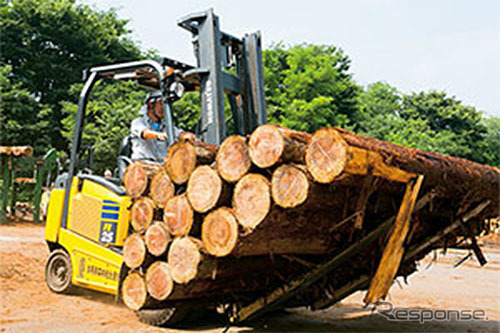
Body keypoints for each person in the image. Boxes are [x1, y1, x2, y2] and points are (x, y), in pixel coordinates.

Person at [130, 90, 195, 162]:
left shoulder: (167, 126)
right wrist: (158, 135)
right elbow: (145, 133)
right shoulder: (138, 122)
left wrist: (187, 136)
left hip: (162, 164)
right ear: (150, 104)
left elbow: (179, 133)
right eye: (161, 103)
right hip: (142, 163)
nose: (164, 108)